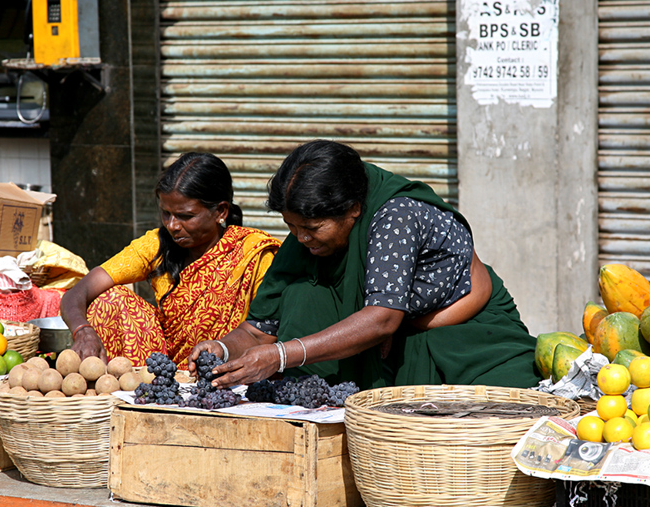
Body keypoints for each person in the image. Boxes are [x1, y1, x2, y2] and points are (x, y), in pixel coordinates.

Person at [190, 140, 539, 391]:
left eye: (311, 228)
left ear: (353, 209)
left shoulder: (396, 216)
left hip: (460, 345)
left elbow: (383, 317)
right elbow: (258, 329)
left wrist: (281, 356)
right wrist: (221, 348)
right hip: (382, 351)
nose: (300, 238)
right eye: (292, 227)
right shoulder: (303, 240)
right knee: (300, 291)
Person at [61, 152, 281, 366]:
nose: (173, 225)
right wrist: (83, 330)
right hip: (163, 372)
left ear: (220, 211)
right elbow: (78, 292)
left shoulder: (253, 254)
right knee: (111, 300)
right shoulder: (157, 244)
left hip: (226, 368)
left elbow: (263, 333)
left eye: (186, 216)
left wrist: (222, 349)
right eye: (166, 213)